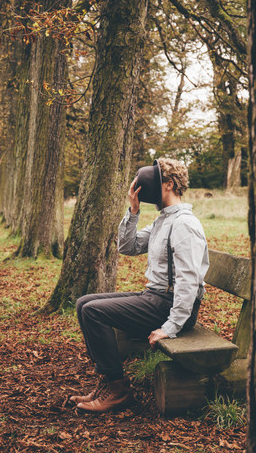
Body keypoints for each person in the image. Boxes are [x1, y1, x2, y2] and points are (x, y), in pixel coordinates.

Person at [69, 158, 209, 413]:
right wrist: (132, 212)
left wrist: (171, 326)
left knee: (93, 312)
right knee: (84, 303)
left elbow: (188, 280)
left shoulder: (184, 224)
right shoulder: (163, 221)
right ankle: (108, 382)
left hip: (171, 306)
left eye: (154, 180)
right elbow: (128, 246)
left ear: (168, 185)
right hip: (155, 297)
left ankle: (117, 389)